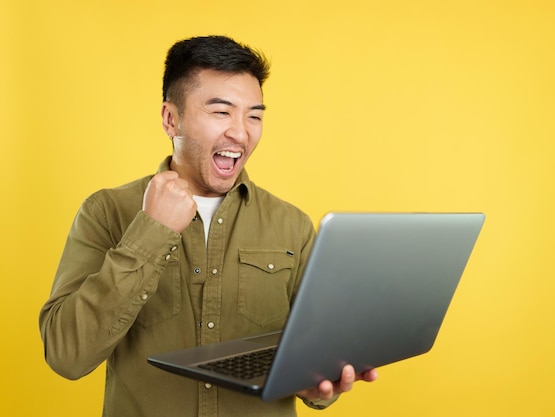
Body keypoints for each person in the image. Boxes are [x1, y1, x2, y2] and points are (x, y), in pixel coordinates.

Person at [39, 35, 377, 417]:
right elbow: (66, 355)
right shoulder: (106, 212)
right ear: (171, 118)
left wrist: (317, 383)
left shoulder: (292, 226)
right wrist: (150, 232)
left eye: (254, 115)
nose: (241, 132)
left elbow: (317, 360)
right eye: (221, 112)